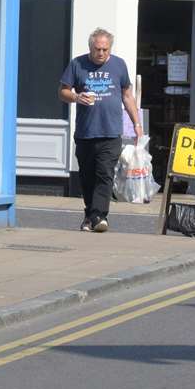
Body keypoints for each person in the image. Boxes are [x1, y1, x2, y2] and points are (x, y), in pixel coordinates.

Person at [58, 28, 142, 234]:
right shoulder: (77, 64)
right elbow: (62, 92)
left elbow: (127, 95)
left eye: (105, 49)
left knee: (104, 174)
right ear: (90, 48)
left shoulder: (119, 65)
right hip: (86, 132)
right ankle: (91, 216)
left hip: (111, 132)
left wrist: (137, 124)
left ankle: (99, 216)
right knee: (87, 177)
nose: (101, 53)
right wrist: (77, 97)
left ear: (110, 48)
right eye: (97, 49)